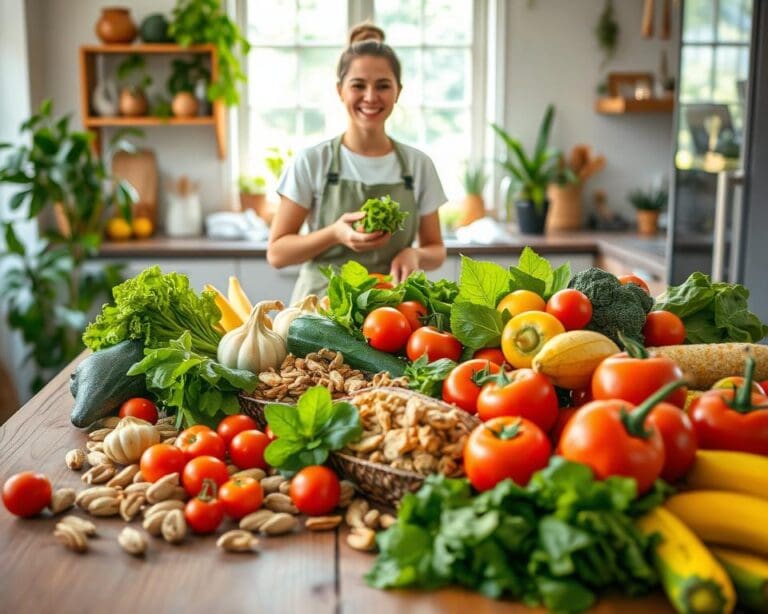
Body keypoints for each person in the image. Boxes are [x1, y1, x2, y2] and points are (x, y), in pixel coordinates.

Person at [267, 26, 447, 303]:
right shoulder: (313, 161)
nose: (371, 96)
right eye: (358, 85)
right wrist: (335, 233)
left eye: (383, 85)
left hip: (390, 313)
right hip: (319, 312)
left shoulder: (418, 165)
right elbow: (277, 254)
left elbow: (436, 249)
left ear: (398, 91)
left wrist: (416, 254)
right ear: (340, 91)